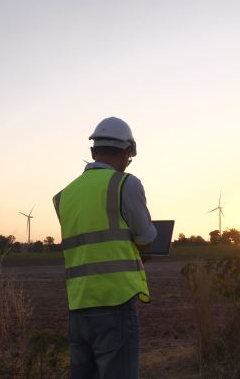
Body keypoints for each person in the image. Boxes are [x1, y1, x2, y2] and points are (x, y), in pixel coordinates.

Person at [52, 116, 157, 379]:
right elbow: (146, 238)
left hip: (78, 309)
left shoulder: (63, 196)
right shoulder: (125, 184)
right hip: (115, 304)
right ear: (127, 153)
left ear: (92, 151)